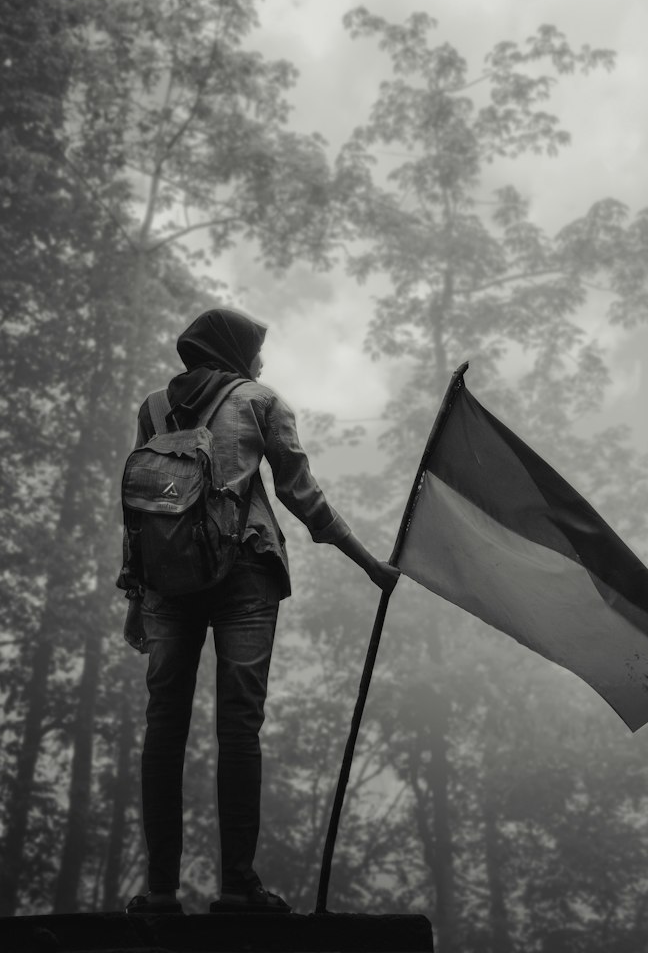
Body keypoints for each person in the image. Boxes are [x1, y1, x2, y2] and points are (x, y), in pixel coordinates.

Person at [119, 308, 399, 915]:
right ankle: (237, 888)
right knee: (239, 727)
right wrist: (370, 563)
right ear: (234, 349)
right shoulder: (261, 401)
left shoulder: (154, 406)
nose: (263, 362)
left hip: (166, 582)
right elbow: (304, 497)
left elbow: (140, 505)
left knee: (163, 728)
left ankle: (161, 892)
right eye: (257, 349)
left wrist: (135, 594)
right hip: (246, 572)